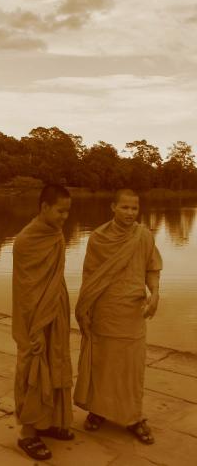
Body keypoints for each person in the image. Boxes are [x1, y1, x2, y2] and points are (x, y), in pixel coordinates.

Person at [74, 189, 162, 444]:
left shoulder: (144, 236)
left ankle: (133, 417)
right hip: (105, 310)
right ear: (113, 207)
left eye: (134, 208)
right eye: (124, 207)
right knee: (102, 362)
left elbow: (152, 268)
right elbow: (90, 277)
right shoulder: (98, 238)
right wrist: (86, 310)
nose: (130, 213)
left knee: (131, 367)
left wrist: (155, 294)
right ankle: (98, 411)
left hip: (133, 311)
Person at [12, 183, 74, 461]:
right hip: (33, 316)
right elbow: (26, 288)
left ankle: (47, 423)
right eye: (60, 211)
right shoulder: (26, 240)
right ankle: (28, 433)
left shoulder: (56, 234)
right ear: (44, 207)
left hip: (55, 309)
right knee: (34, 367)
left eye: (68, 212)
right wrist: (34, 326)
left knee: (56, 360)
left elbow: (54, 277)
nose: (64, 216)